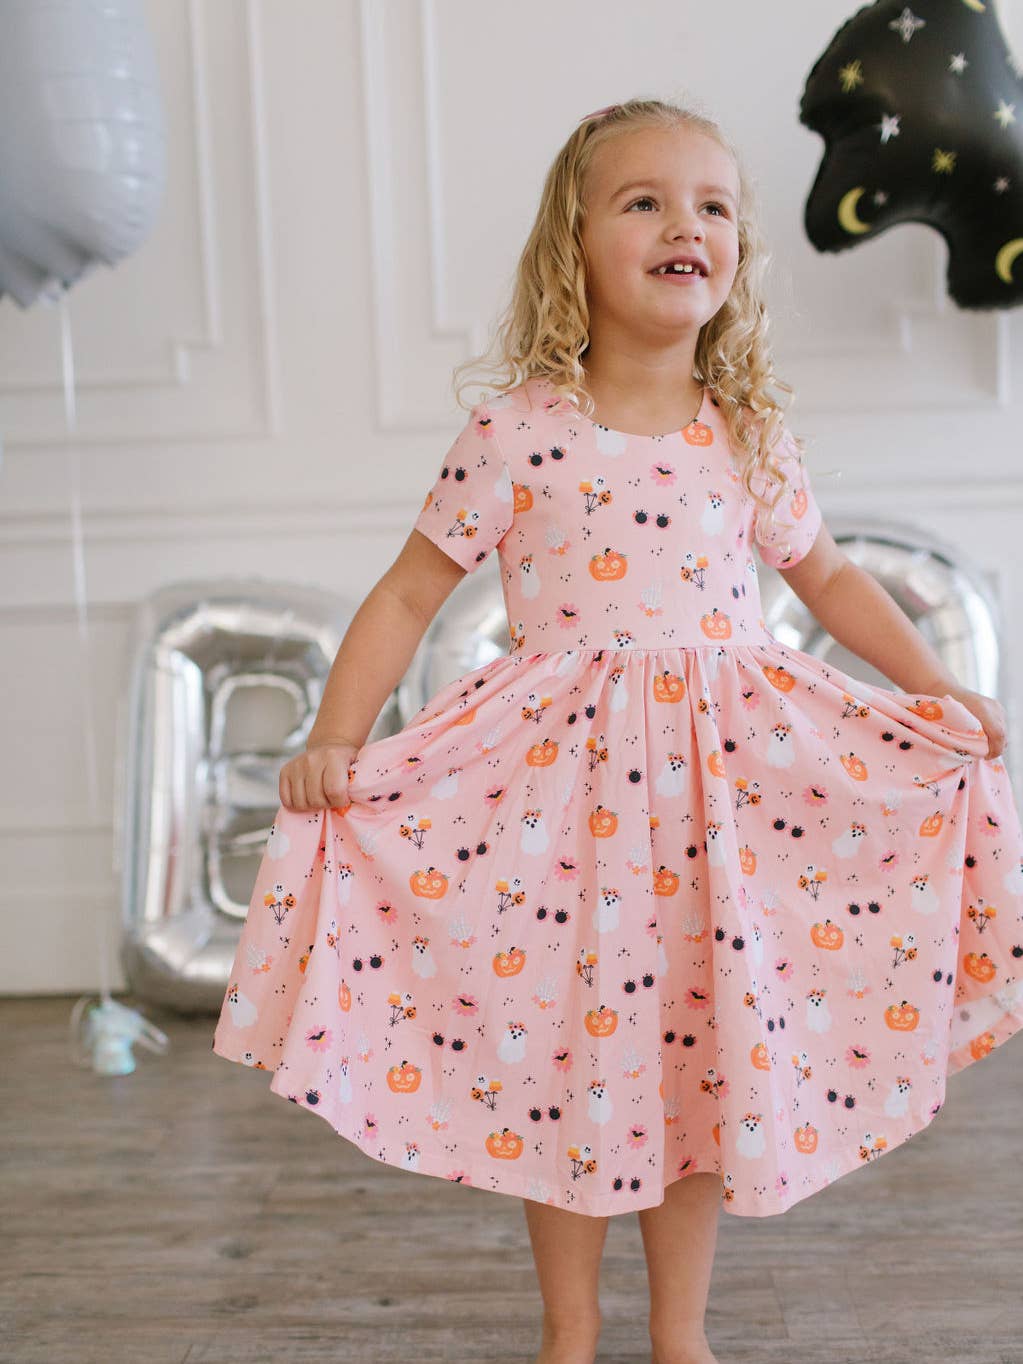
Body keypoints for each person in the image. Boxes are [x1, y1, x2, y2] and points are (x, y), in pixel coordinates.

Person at [213, 99, 1023, 1364]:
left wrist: (937, 688)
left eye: (711, 205)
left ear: (737, 252)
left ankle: (681, 1332)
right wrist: (335, 733)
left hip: (716, 802)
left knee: (700, 1051)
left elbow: (833, 583)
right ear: (574, 242)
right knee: (565, 1059)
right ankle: (569, 1330)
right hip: (559, 806)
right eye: (642, 200)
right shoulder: (521, 430)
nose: (682, 223)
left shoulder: (745, 434)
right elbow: (409, 591)